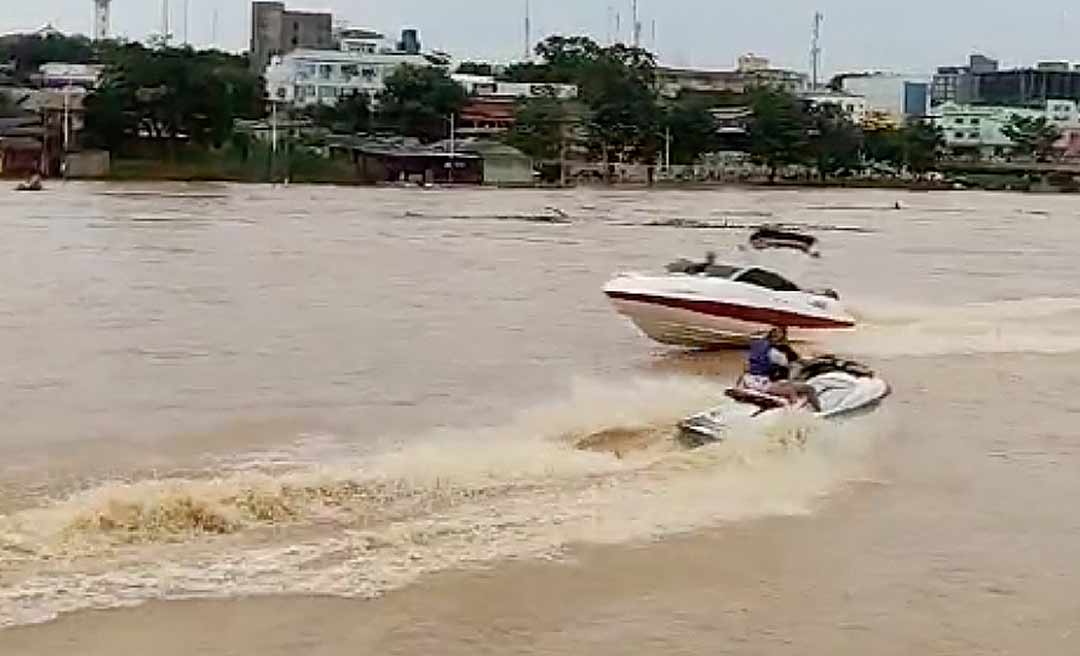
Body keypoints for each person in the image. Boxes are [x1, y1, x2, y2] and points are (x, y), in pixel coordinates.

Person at [742, 327, 822, 412]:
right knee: (804, 389)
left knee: (794, 386)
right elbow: (792, 365)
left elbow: (746, 366)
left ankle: (798, 407)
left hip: (753, 380)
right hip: (765, 383)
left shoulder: (758, 347)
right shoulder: (777, 353)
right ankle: (809, 411)